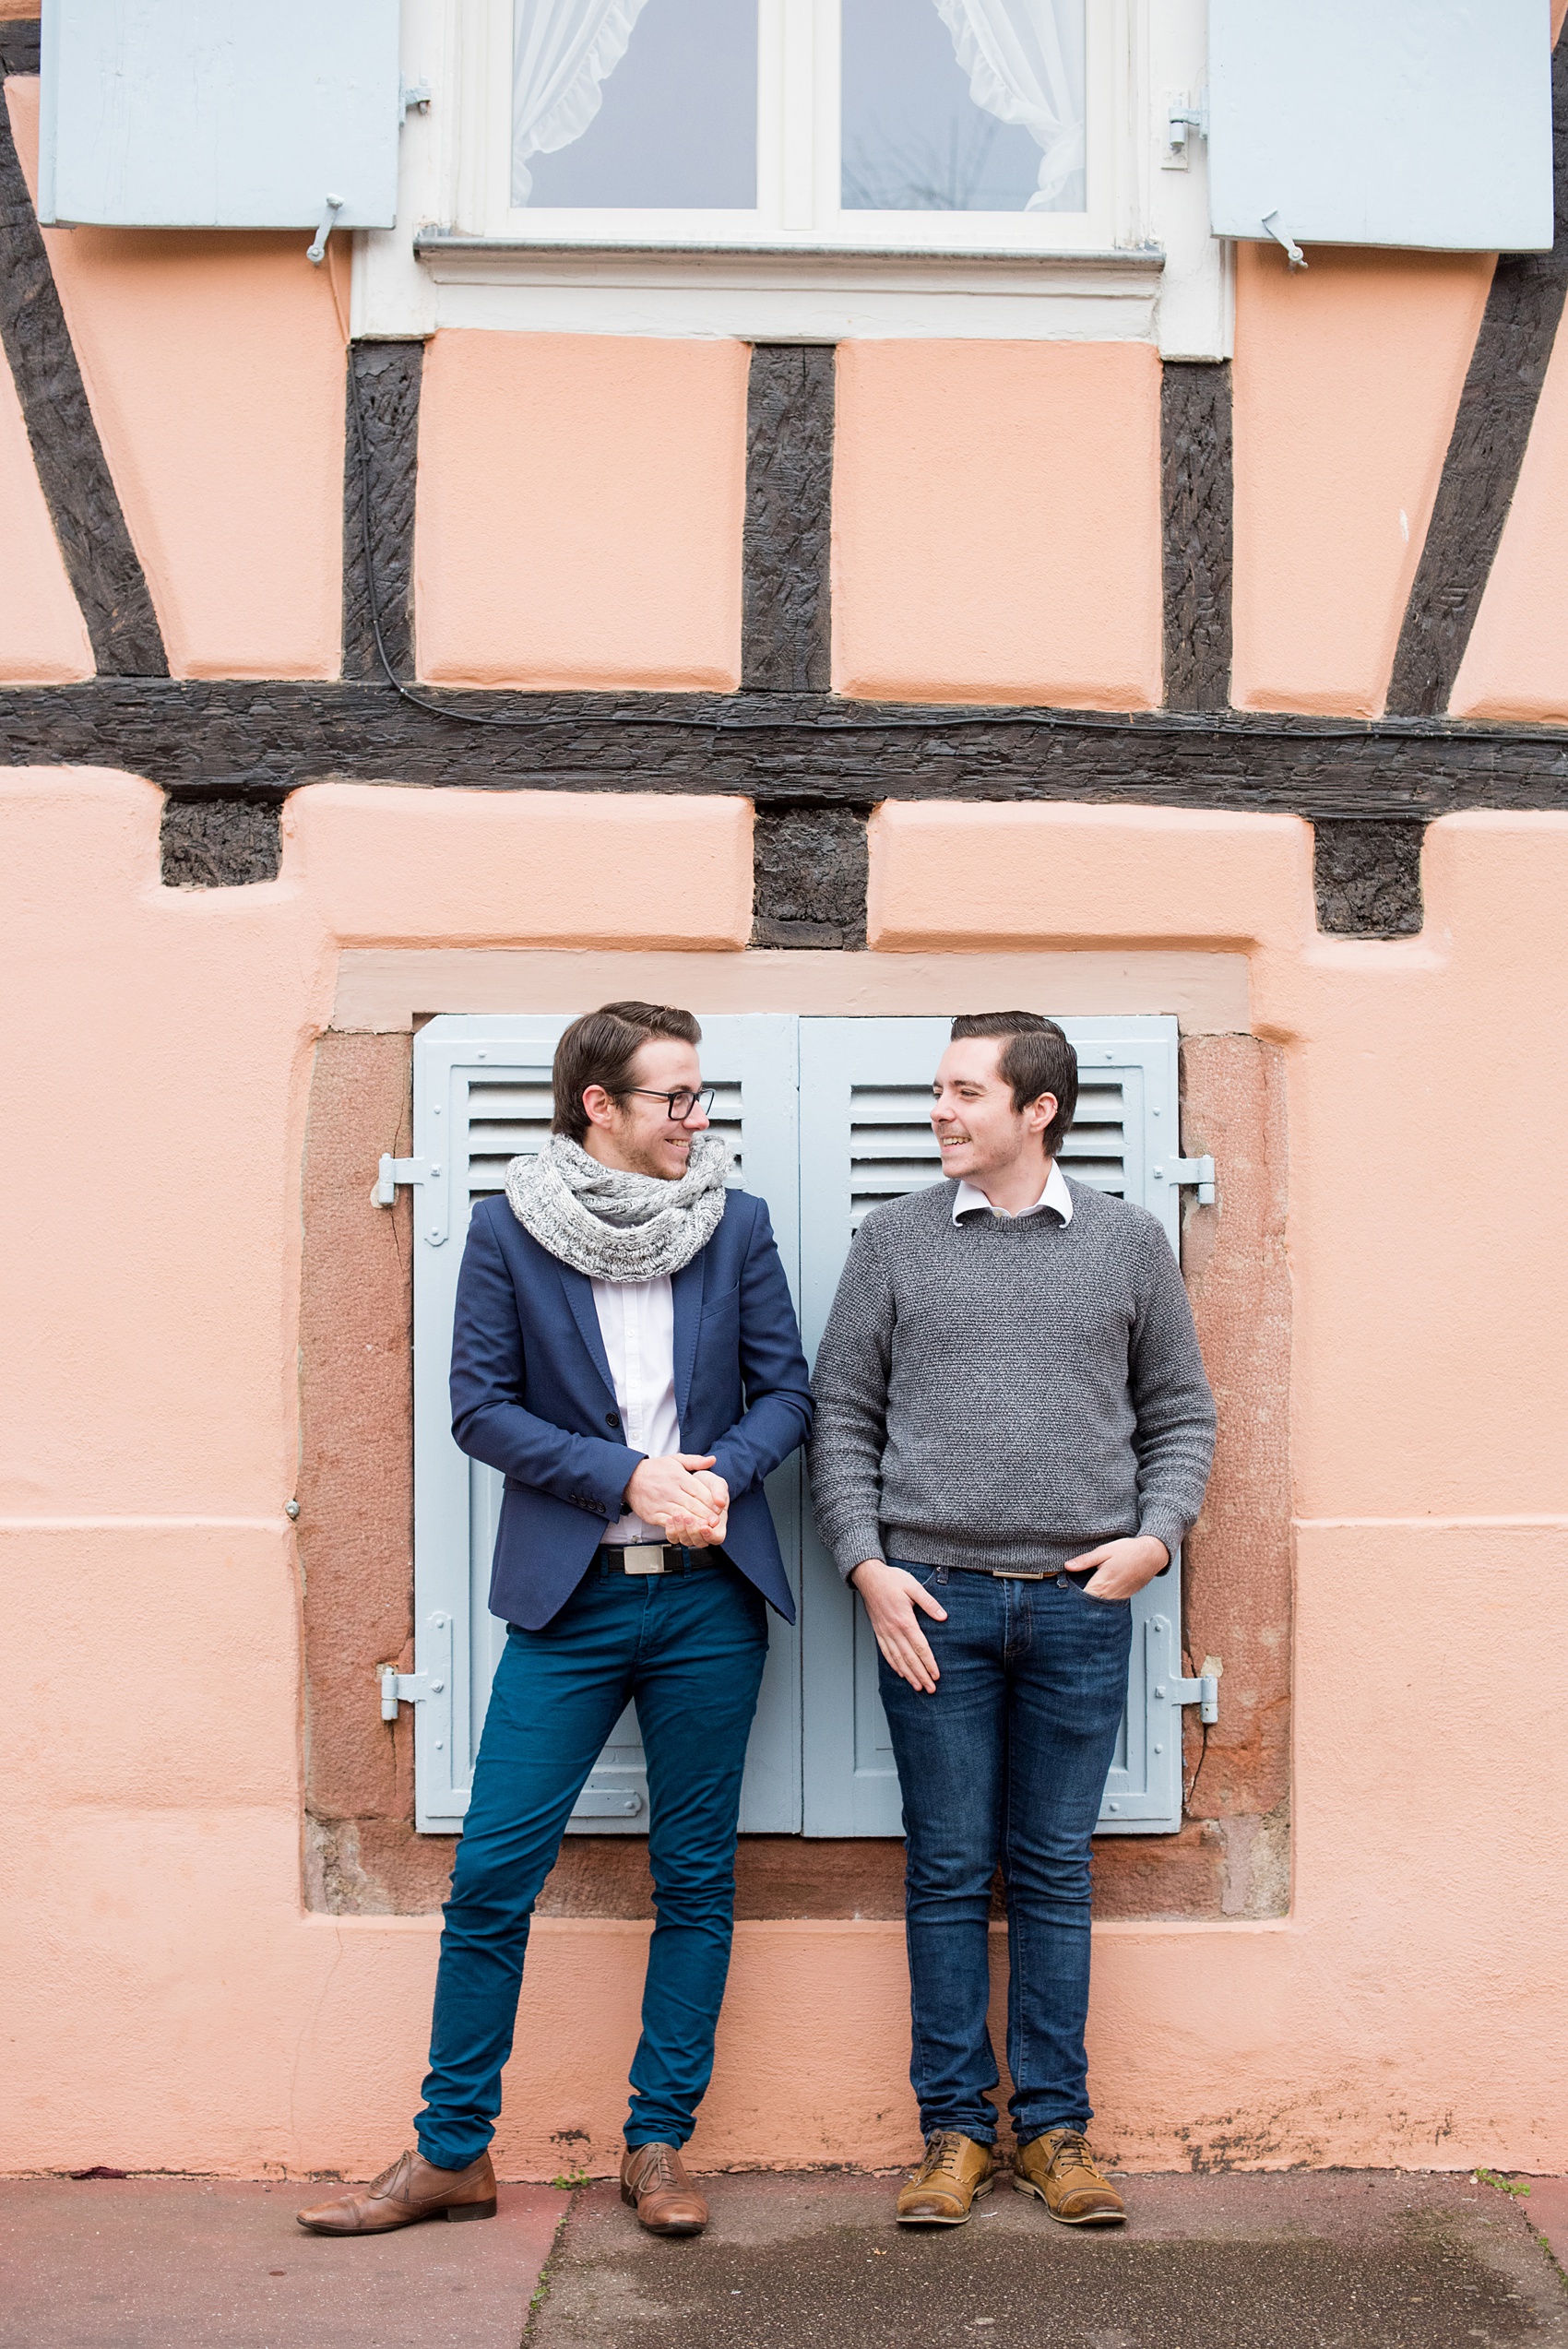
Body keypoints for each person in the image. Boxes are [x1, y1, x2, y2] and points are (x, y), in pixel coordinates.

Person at [298, 1002, 812, 2241]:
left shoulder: (733, 1225)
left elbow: (786, 1389)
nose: (700, 1120)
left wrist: (718, 1478)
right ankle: (452, 2153)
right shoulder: (506, 1231)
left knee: (694, 1881)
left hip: (706, 1604)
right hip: (568, 1603)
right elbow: (479, 1410)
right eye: (675, 1100)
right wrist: (622, 1476)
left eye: (703, 1097)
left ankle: (658, 2146)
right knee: (492, 1876)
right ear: (601, 1106)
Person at [809, 1012, 1215, 2230]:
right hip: (934, 1604)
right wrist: (868, 1568)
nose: (940, 1111)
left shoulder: (1131, 1246)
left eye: (964, 1092)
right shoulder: (892, 1241)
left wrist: (1153, 1542)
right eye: (940, 1090)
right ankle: (951, 2136)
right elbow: (841, 1418)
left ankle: (1055, 2133)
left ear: (1037, 1110)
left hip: (1082, 1609)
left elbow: (1182, 1411)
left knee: (1051, 1871)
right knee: (943, 1871)